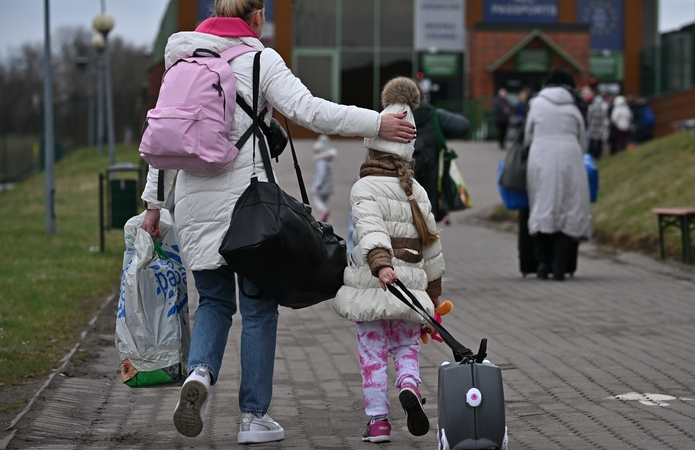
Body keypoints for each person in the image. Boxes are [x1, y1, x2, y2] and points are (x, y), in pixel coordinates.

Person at [139, 0, 416, 445]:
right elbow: (311, 111)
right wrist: (378, 122)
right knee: (258, 308)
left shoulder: (184, 59)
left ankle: (200, 376)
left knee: (212, 302)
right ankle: (253, 418)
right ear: (256, 17)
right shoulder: (260, 59)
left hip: (192, 204)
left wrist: (153, 202)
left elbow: (161, 139)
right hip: (248, 211)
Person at [332, 77, 444, 443]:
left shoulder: (363, 188)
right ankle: (409, 386)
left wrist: (380, 263)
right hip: (411, 288)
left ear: (372, 148)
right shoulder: (418, 191)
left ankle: (379, 421)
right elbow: (433, 250)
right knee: (406, 347)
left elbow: (369, 230)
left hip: (373, 284)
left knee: (373, 355)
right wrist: (434, 297)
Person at [523, 68, 592, 281]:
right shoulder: (576, 104)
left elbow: (527, 135)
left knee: (542, 207)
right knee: (569, 209)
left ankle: (543, 263)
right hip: (571, 156)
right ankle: (560, 266)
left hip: (541, 155)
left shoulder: (536, 102)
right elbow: (583, 138)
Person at [412, 86, 470, 223]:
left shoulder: (386, 120)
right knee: (427, 225)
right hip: (430, 186)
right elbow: (463, 126)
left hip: (397, 194)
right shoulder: (433, 115)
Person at [311, 134, 337, 222]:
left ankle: (324, 211)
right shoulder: (328, 161)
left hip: (322, 186)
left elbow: (321, 174)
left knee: (317, 199)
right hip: (328, 186)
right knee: (324, 202)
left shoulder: (321, 162)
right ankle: (324, 219)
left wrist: (318, 184)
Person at [586, 94, 609, 160]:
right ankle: (598, 156)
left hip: (592, 128)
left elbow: (588, 118)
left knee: (591, 143)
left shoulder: (591, 108)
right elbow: (605, 119)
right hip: (600, 129)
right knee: (599, 143)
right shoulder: (603, 108)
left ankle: (590, 156)